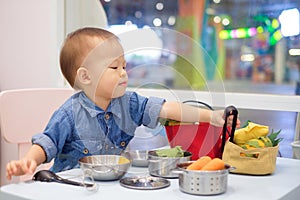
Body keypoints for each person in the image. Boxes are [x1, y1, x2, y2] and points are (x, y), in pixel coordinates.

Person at [6, 27, 240, 180]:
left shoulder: (129, 103)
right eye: (114, 68)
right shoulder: (69, 114)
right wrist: (29, 160)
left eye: (124, 66)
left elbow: (167, 109)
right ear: (86, 77)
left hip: (111, 187)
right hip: (71, 189)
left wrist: (212, 117)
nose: (124, 74)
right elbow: (46, 144)